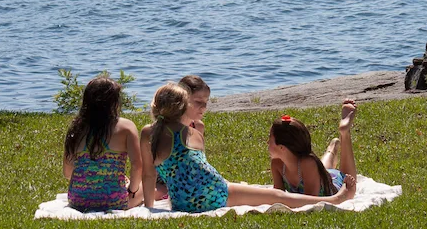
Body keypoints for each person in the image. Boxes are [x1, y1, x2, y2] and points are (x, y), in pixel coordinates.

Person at [140, 83, 356, 213]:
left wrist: (149, 208)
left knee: (277, 192)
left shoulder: (148, 134)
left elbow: (149, 176)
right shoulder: (192, 133)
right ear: (182, 108)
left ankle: (332, 152)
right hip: (215, 193)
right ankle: (334, 199)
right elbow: (201, 170)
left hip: (181, 203)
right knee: (278, 197)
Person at [63, 76, 143, 212]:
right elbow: (137, 166)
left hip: (78, 200)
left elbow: (67, 173)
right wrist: (132, 190)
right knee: (144, 187)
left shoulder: (76, 128)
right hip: (115, 201)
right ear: (115, 102)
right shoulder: (126, 127)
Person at [269, 99, 357, 197]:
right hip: (322, 174)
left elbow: (310, 200)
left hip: (335, 183)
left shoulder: (308, 164)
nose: (267, 142)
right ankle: (332, 149)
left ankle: (345, 133)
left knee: (348, 179)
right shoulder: (277, 164)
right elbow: (278, 196)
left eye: (270, 139)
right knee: (322, 169)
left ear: (282, 147)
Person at [155, 74, 212, 199]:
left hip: (189, 182)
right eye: (198, 102)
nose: (204, 107)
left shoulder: (198, 127)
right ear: (182, 100)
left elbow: (199, 163)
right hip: (161, 180)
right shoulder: (163, 128)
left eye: (206, 102)